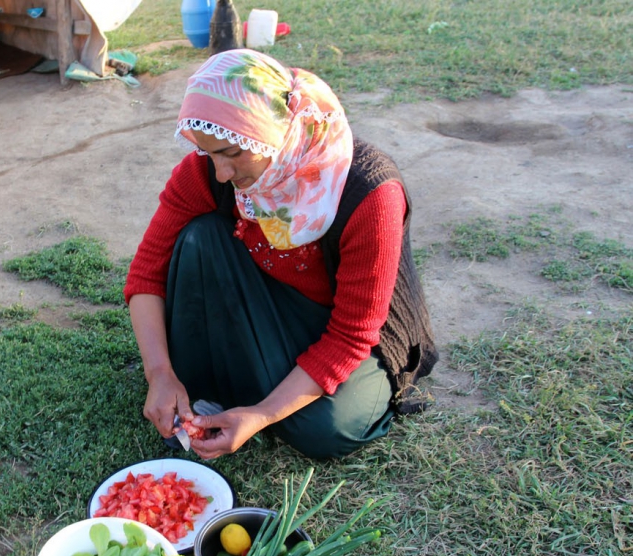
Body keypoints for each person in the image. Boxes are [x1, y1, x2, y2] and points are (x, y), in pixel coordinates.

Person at [124, 49, 437, 461]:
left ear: (274, 131)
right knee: (200, 237)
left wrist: (264, 414)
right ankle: (248, 377)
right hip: (266, 301)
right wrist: (159, 373)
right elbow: (147, 272)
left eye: (233, 153)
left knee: (325, 428)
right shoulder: (206, 170)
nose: (220, 172)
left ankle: (252, 386)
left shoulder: (368, 194)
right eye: (209, 151)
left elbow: (351, 334)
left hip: (343, 331)